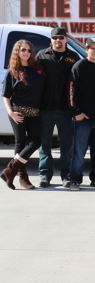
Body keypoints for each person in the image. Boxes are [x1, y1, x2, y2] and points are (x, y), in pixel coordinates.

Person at [36, 27, 80, 188]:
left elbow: (77, 84)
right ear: (51, 40)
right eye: (55, 38)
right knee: (44, 144)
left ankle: (66, 175)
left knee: (67, 145)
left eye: (61, 37)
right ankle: (44, 175)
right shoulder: (41, 56)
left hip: (65, 109)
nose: (58, 40)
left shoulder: (74, 57)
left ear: (66, 39)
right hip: (45, 108)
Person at [0, 40, 45, 190]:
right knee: (20, 143)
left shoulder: (37, 69)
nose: (26, 53)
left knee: (35, 143)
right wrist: (11, 113)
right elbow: (6, 96)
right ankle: (22, 178)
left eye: (29, 50)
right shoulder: (12, 71)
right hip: (17, 112)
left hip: (35, 112)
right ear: (17, 52)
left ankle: (9, 171)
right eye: (23, 50)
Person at [68, 37, 95, 191]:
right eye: (93, 48)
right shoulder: (79, 66)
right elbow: (71, 90)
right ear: (87, 50)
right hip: (82, 118)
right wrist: (76, 112)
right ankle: (75, 180)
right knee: (79, 151)